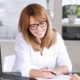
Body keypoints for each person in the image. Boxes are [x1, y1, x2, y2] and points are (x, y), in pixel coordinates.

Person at [12, 3, 72, 79]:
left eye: (42, 23)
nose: (39, 29)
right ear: (26, 27)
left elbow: (67, 65)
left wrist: (53, 73)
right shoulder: (22, 38)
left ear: (47, 22)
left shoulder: (56, 36)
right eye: (33, 26)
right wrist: (41, 73)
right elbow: (25, 69)